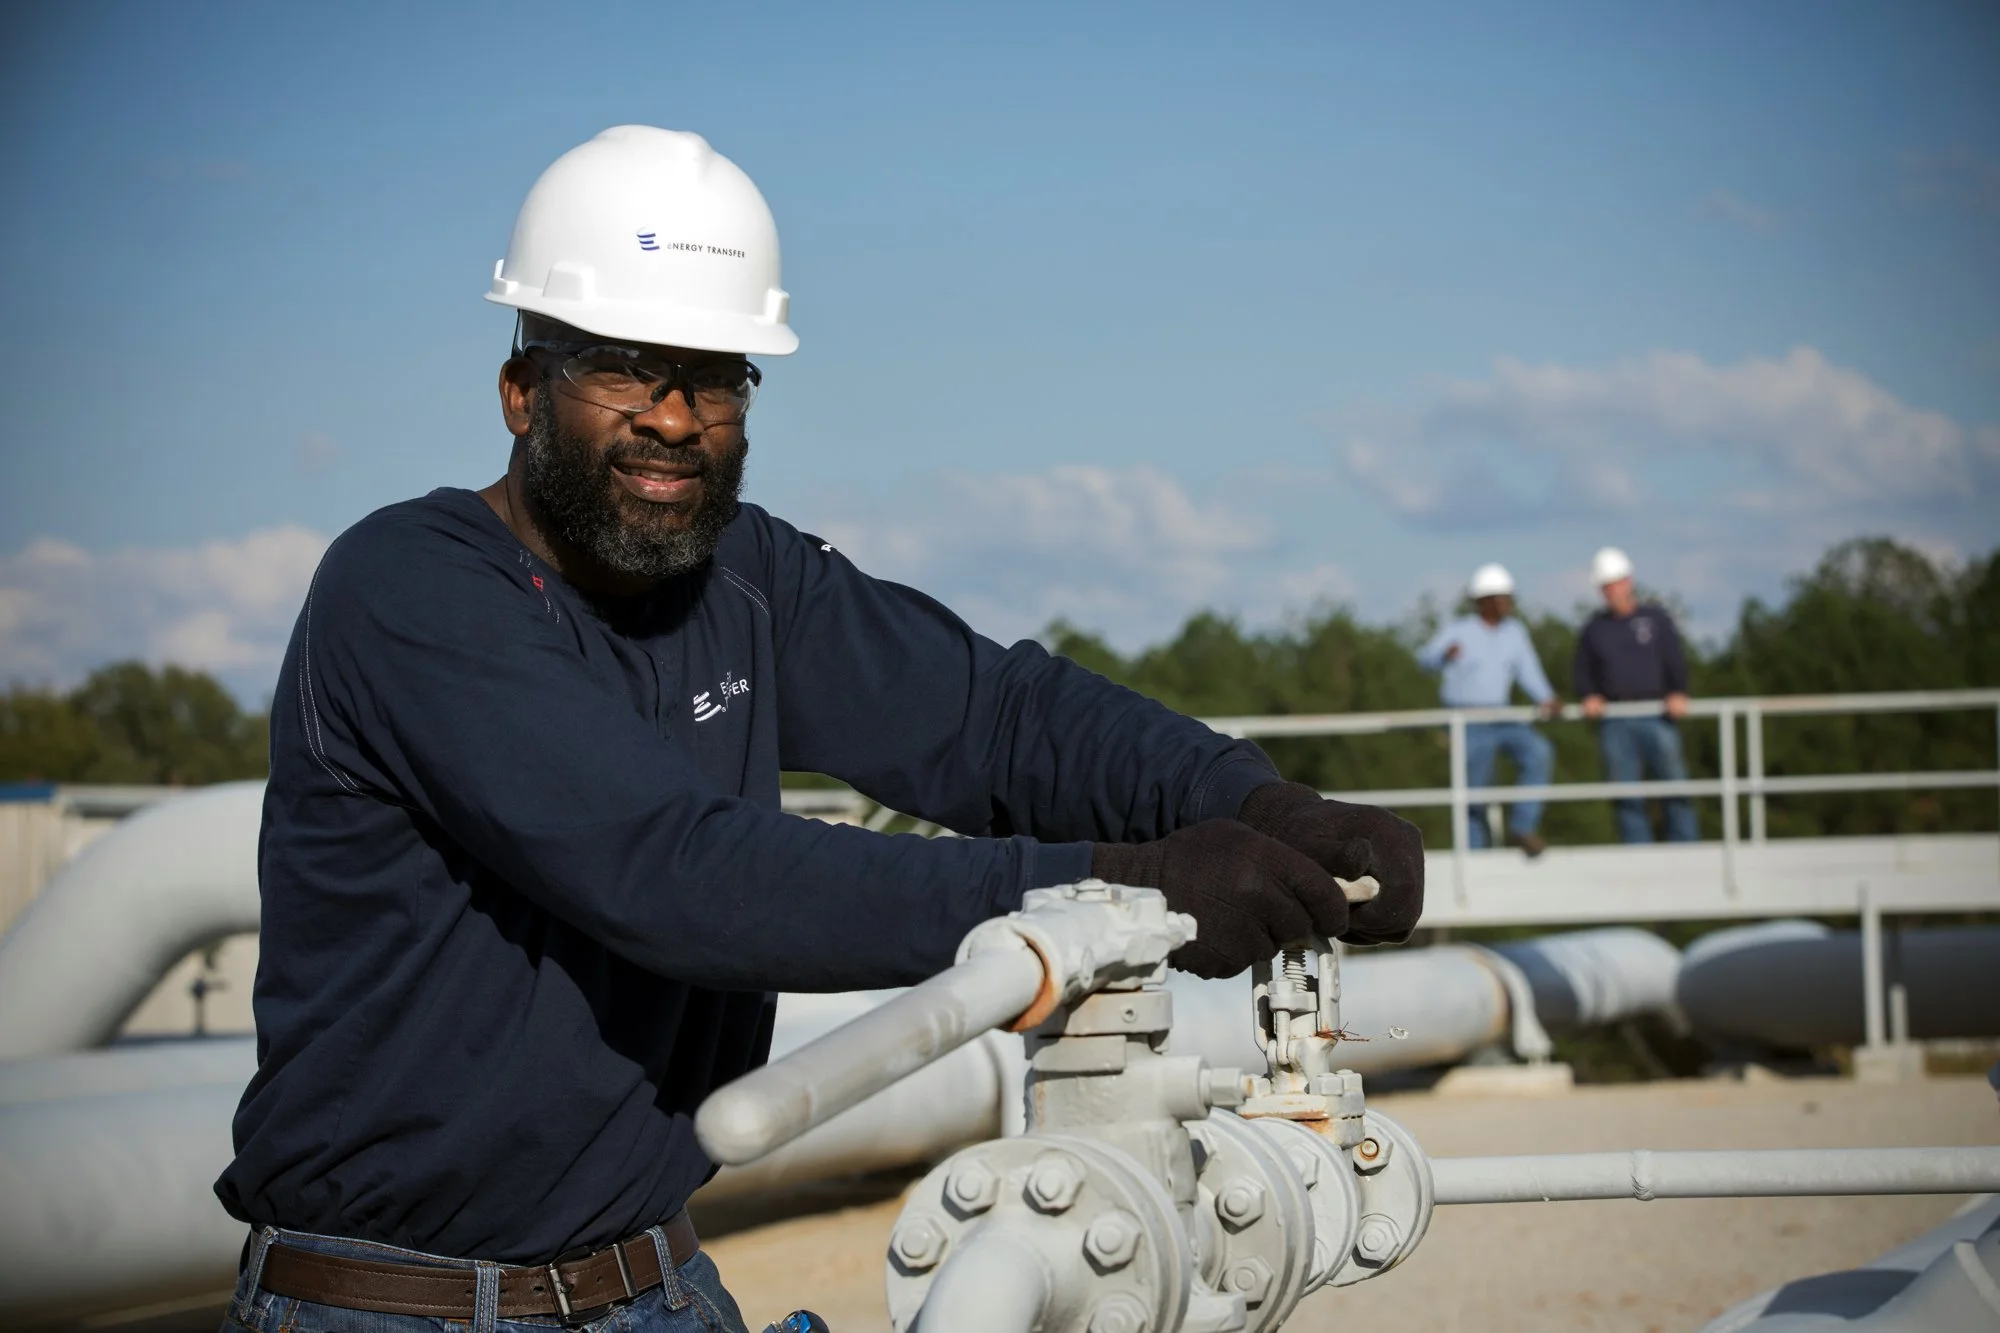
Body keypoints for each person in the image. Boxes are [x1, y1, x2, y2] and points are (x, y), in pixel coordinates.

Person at [212, 126, 1424, 1333]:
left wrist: (1247, 800)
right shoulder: (410, 590)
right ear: (522, 389)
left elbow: (994, 718)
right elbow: (677, 872)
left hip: (657, 1281)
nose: (676, 418)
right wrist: (1123, 887)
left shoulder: (738, 574)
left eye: (716, 374)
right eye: (625, 368)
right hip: (394, 1304)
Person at [1417, 563, 1561, 858]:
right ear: (1482, 601)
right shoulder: (1459, 630)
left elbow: (1528, 671)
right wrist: (1443, 656)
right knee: (1474, 789)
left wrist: (1547, 697)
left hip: (1502, 716)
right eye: (1499, 596)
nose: (1507, 602)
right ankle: (1476, 853)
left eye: (1508, 596)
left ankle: (1523, 828)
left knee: (1539, 752)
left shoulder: (1515, 633)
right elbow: (1424, 659)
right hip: (1466, 720)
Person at [1573, 546, 1697, 843]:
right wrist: (1589, 695)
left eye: (1614, 583)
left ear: (1628, 581)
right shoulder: (1595, 629)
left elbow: (1674, 659)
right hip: (1615, 719)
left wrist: (1678, 691)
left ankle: (1686, 848)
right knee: (1625, 792)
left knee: (1674, 785)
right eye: (1605, 586)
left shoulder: (1655, 619)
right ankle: (1637, 853)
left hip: (1658, 714)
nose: (1611, 591)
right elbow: (1582, 669)